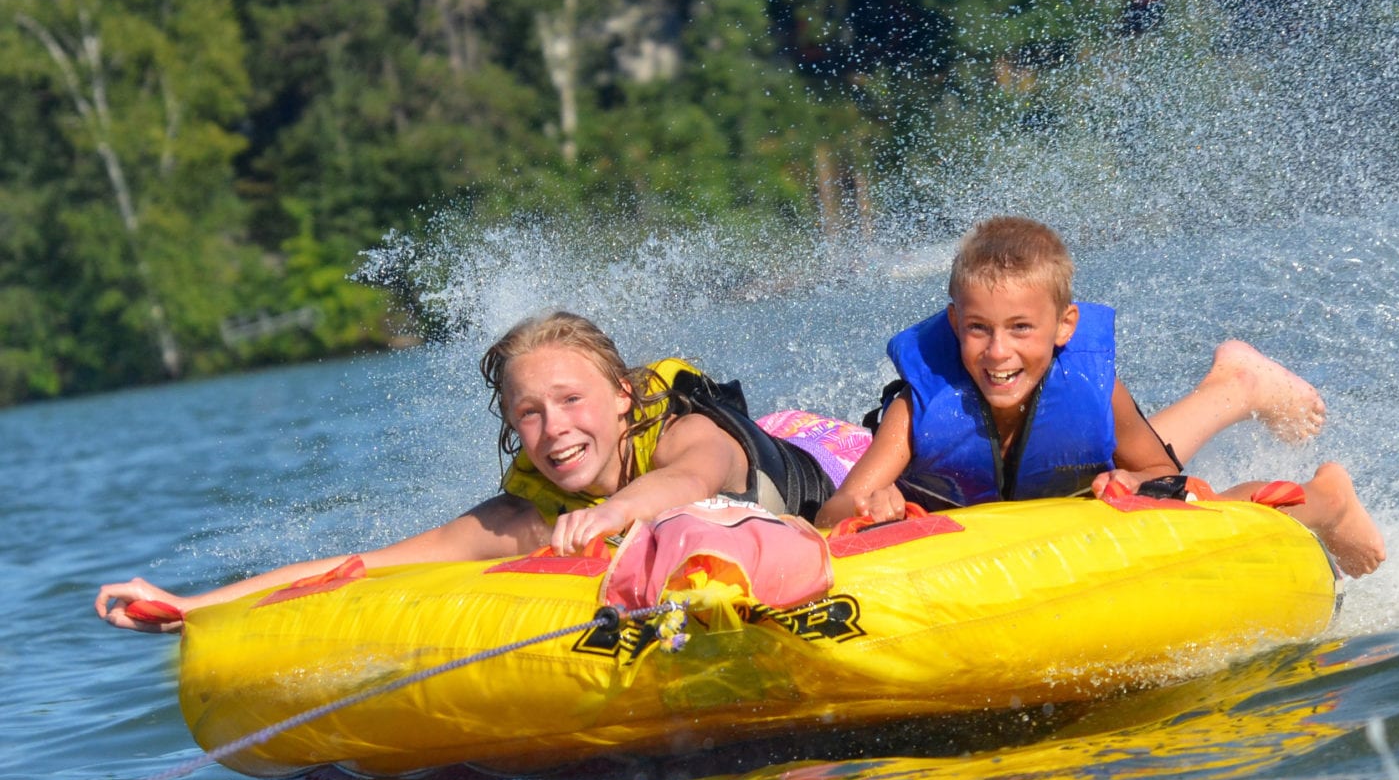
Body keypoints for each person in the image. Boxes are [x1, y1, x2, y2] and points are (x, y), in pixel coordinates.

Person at [95, 312, 850, 632]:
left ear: (623, 396)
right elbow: (368, 564)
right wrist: (192, 605)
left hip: (822, 465)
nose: (553, 429)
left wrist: (613, 514)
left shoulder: (687, 430)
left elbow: (681, 485)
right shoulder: (534, 511)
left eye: (570, 400)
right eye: (529, 413)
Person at [814, 217, 1387, 576]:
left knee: (1207, 507)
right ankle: (1238, 386)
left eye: (1021, 328)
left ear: (1065, 326)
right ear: (953, 321)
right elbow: (833, 513)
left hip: (1080, 521)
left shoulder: (1088, 384)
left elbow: (1164, 471)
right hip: (983, 540)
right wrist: (871, 502)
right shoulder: (920, 407)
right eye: (978, 329)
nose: (997, 352)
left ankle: (1326, 499)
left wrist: (1136, 482)